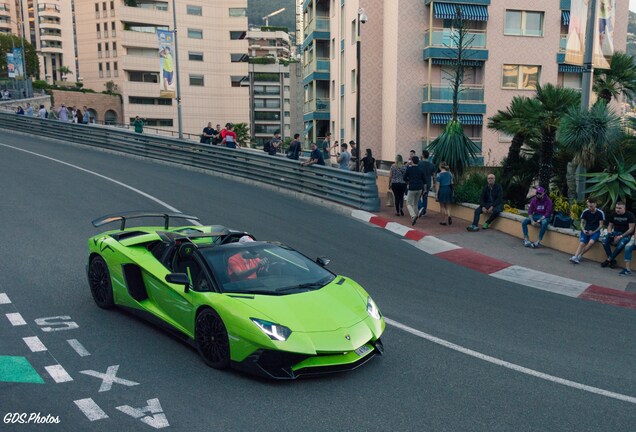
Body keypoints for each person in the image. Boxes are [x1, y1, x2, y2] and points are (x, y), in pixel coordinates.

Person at [570, 198, 606, 264]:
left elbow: (601, 225)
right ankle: (575, 256)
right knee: (582, 243)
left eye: (591, 206)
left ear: (595, 204)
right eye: (588, 206)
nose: (589, 207)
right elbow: (581, 223)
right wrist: (583, 230)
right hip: (586, 230)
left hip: (595, 231)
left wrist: (593, 232)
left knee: (591, 243)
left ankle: (579, 256)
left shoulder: (600, 213)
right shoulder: (585, 211)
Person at [601, 201, 635, 268]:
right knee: (604, 241)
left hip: (625, 234)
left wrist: (621, 236)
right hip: (615, 232)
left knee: (620, 245)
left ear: (624, 208)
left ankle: (608, 260)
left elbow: (631, 229)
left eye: (619, 208)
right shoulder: (613, 214)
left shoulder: (630, 215)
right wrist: (610, 233)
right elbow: (610, 226)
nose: (617, 210)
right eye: (616, 208)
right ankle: (612, 261)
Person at [404, 156, 426, 226]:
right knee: (415, 203)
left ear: (412, 161)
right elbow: (424, 181)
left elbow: (404, 178)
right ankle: (414, 218)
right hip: (419, 188)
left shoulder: (409, 169)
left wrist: (408, 181)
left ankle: (413, 216)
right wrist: (424, 190)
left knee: (408, 203)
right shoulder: (421, 169)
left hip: (412, 187)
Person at [417, 150, 436, 217]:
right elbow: (433, 175)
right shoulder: (431, 165)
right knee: (425, 197)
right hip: (428, 183)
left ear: (422, 155)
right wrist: (434, 183)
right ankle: (424, 211)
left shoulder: (419, 163)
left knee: (418, 196)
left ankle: (420, 207)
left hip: (420, 182)